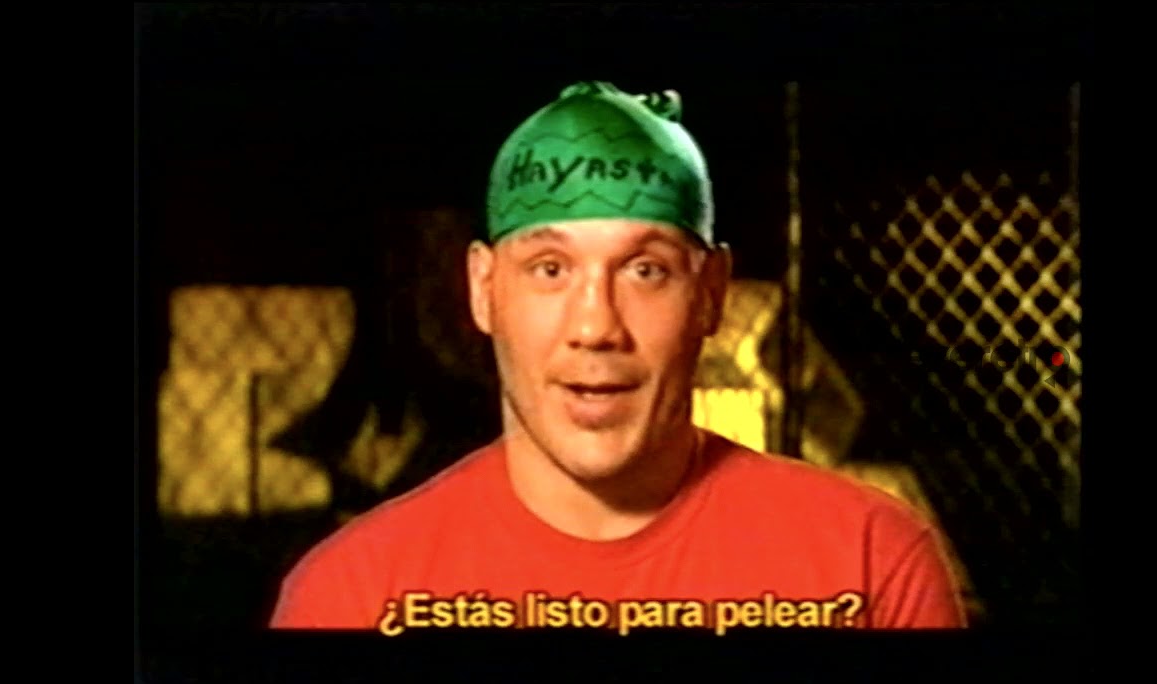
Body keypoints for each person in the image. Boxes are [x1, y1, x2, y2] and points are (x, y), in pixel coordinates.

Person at [270, 81, 967, 631]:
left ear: (711, 293)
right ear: (483, 289)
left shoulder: (869, 566)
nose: (596, 326)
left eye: (645, 270)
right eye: (550, 269)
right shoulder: (354, 596)